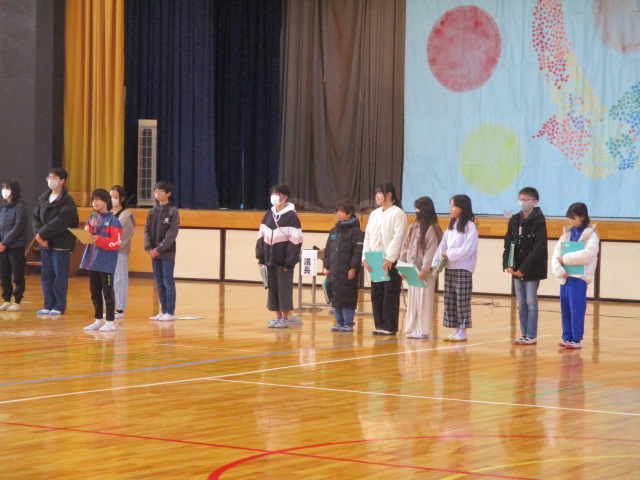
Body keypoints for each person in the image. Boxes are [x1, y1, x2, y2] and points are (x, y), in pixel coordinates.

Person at [502, 187, 548, 345]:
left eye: (527, 199)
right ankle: (523, 333)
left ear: (535, 202)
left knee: (531, 302)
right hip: (516, 268)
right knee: (521, 303)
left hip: (532, 269)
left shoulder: (539, 220)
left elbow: (538, 248)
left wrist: (524, 269)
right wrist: (508, 264)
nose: (523, 202)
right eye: (521, 199)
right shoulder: (515, 219)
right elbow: (508, 243)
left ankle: (531, 335)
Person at [551, 202, 599, 349]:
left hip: (579, 277)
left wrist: (565, 259)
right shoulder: (567, 233)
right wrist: (559, 270)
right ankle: (567, 337)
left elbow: (588, 254)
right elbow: (556, 253)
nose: (571, 221)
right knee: (565, 308)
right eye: (569, 218)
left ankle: (576, 339)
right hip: (566, 277)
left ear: (582, 217)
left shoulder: (591, 235)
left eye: (574, 218)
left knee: (576, 308)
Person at [362, 183, 407, 336]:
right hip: (375, 260)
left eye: (380, 192)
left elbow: (398, 238)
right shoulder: (374, 214)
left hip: (390, 262)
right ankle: (379, 324)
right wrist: (365, 258)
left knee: (390, 295)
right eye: (376, 193)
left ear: (389, 195)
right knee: (376, 294)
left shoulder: (398, 213)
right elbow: (368, 236)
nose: (377, 196)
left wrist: (390, 258)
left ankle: (389, 326)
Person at [33, 167, 79, 315]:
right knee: (47, 275)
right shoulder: (43, 198)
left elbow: (61, 221)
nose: (50, 180)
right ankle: (48, 304)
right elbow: (36, 218)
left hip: (61, 243)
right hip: (44, 243)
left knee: (59, 275)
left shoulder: (67, 201)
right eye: (49, 178)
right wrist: (40, 236)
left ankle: (59, 305)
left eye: (54, 178)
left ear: (62, 180)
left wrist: (43, 234)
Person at [256, 184, 303, 329]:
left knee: (284, 289)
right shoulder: (268, 215)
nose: (274, 196)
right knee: (273, 290)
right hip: (270, 260)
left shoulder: (291, 217)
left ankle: (285, 317)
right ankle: (277, 316)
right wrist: (261, 257)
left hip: (283, 262)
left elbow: (296, 241)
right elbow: (261, 236)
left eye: (277, 194)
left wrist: (290, 262)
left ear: (285, 197)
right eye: (273, 194)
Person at [432, 194, 478, 342]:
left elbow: (468, 249)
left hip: (463, 268)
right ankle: (455, 329)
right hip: (450, 267)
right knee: (450, 299)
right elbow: (442, 245)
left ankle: (463, 331)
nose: (450, 209)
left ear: (462, 207)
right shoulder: (451, 226)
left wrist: (450, 254)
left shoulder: (470, 226)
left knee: (462, 300)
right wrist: (435, 262)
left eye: (453, 206)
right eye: (450, 205)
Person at [399, 196, 442, 339]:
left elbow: (431, 251)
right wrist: (402, 266)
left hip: (426, 272)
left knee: (424, 300)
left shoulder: (433, 229)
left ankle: (423, 330)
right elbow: (405, 246)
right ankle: (411, 328)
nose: (416, 211)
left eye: (418, 208)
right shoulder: (413, 226)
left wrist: (425, 269)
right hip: (412, 269)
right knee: (413, 300)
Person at [82, 189, 122, 332]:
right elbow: (86, 237)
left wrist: (99, 239)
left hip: (106, 263)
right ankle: (98, 320)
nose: (95, 202)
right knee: (95, 293)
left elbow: (116, 243)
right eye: (93, 200)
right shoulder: (92, 219)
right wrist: (90, 228)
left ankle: (110, 321)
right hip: (92, 262)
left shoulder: (113, 221)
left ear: (106, 201)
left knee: (108, 293)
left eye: (98, 199)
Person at [323, 199, 364, 332]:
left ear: (350, 213)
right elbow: (328, 250)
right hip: (335, 271)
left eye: (342, 211)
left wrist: (353, 268)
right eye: (338, 211)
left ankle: (348, 323)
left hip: (348, 271)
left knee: (347, 296)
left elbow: (357, 252)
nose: (339, 214)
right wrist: (327, 267)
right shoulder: (334, 231)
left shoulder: (356, 232)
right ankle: (339, 323)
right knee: (336, 297)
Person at [144, 181, 180, 321]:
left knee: (167, 281)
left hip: (167, 252)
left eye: (160, 192)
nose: (157, 194)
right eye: (155, 191)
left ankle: (170, 312)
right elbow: (146, 230)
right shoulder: (152, 211)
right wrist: (149, 248)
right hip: (154, 253)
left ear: (168, 194)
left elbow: (171, 234)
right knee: (159, 282)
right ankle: (163, 310)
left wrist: (159, 249)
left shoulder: (173, 212)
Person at [0, 180, 28, 311]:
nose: (5, 190)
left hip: (15, 246)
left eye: (8, 188)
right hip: (2, 247)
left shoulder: (20, 207)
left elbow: (18, 227)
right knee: (4, 274)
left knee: (17, 274)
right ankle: (6, 299)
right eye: (4, 187)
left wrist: (5, 242)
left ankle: (17, 301)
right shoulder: (3, 206)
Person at [110, 185, 135, 318]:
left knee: (119, 279)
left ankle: (119, 309)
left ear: (122, 198)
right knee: (108, 280)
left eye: (116, 197)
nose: (112, 199)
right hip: (105, 252)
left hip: (119, 251)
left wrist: (111, 244)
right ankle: (110, 306)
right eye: (111, 197)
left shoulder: (126, 215)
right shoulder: (106, 213)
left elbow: (124, 236)